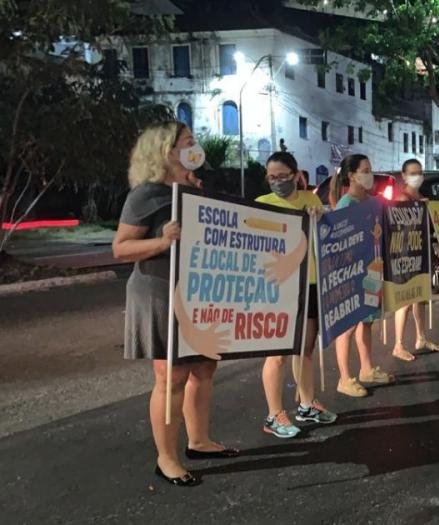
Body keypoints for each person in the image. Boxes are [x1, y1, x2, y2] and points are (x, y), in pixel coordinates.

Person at [114, 122, 239, 487]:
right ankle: (166, 458)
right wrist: (163, 240)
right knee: (172, 375)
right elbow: (121, 248)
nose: (195, 147)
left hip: (197, 292)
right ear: (166, 150)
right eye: (188, 142)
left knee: (204, 367)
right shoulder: (146, 194)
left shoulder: (191, 190)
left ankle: (199, 441)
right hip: (158, 291)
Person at [254, 152, 335, 439]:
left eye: (282, 176)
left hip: (310, 283)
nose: (277, 182)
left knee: (305, 349)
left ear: (296, 175)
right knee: (277, 354)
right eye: (272, 177)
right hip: (278, 288)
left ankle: (306, 404)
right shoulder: (261, 204)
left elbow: (326, 238)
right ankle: (274, 414)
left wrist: (321, 219)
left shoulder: (311, 200)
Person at [331, 154, 395, 397]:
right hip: (352, 274)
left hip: (372, 269)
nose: (370, 175)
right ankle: (344, 378)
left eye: (370, 169)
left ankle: (367, 369)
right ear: (352, 175)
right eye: (365, 170)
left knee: (367, 321)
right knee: (348, 325)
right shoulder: (346, 205)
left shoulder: (373, 202)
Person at [391, 159, 439, 361]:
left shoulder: (421, 196)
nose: (417, 176)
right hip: (406, 255)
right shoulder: (402, 198)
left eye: (420, 172)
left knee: (420, 297)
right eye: (412, 173)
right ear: (404, 176)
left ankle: (421, 337)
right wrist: (419, 208)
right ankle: (398, 345)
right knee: (405, 299)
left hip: (422, 253)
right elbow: (400, 227)